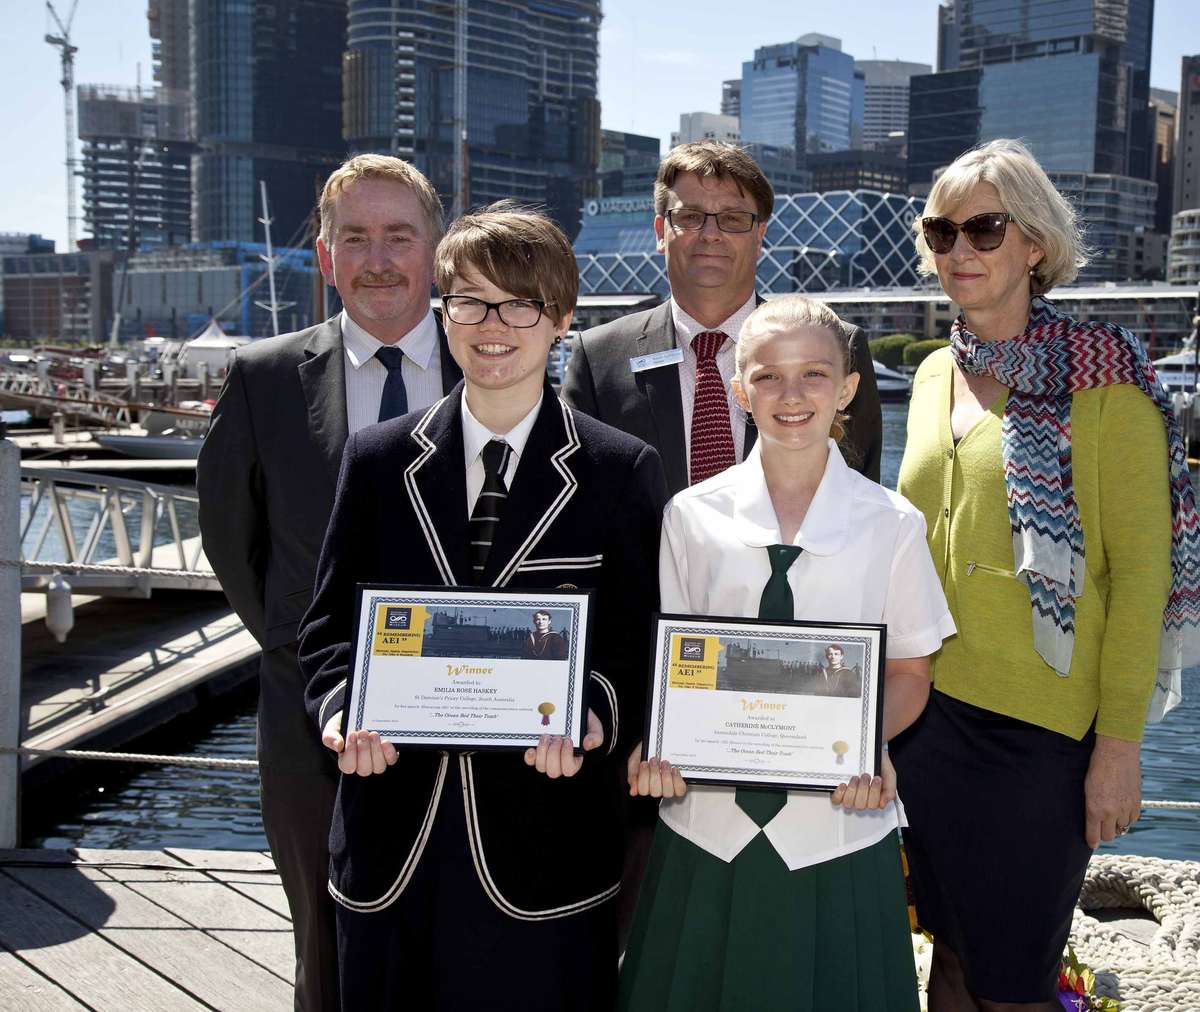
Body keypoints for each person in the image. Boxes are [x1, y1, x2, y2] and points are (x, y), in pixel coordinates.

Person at [298, 205, 668, 1010]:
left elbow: (636, 644)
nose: (492, 325)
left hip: (545, 847)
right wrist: (338, 711)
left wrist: (594, 718)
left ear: (561, 319)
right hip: (392, 838)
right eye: (469, 300)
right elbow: (328, 629)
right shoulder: (378, 460)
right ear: (443, 310)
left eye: (520, 305)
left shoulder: (619, 470)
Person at [891, 137, 1199, 1012]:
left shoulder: (1107, 383)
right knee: (947, 957)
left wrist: (1120, 749)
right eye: (941, 232)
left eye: (984, 229)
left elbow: (1142, 580)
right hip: (923, 719)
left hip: (1042, 739)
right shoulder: (930, 374)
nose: (960, 251)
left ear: (1034, 243)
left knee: (1015, 984)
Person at [620, 295, 957, 1011]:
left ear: (848, 389)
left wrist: (868, 746)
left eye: (813, 374)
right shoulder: (689, 515)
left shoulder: (893, 523)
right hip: (707, 824)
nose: (791, 394)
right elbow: (677, 673)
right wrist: (657, 744)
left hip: (838, 826)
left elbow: (910, 674)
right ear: (739, 392)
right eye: (768, 377)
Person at [196, 153, 462, 1012]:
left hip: (471, 719)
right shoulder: (264, 380)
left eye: (399, 236)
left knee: (464, 947)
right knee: (326, 953)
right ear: (323, 255)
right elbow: (231, 540)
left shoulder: (496, 365)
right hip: (310, 725)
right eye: (356, 238)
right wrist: (298, 651)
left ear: (437, 249)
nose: (378, 259)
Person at [562, 140, 883, 492]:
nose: (711, 235)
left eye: (733, 219)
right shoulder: (599, 359)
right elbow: (579, 502)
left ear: (760, 235)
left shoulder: (838, 347)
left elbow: (858, 496)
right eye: (690, 217)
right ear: (660, 232)